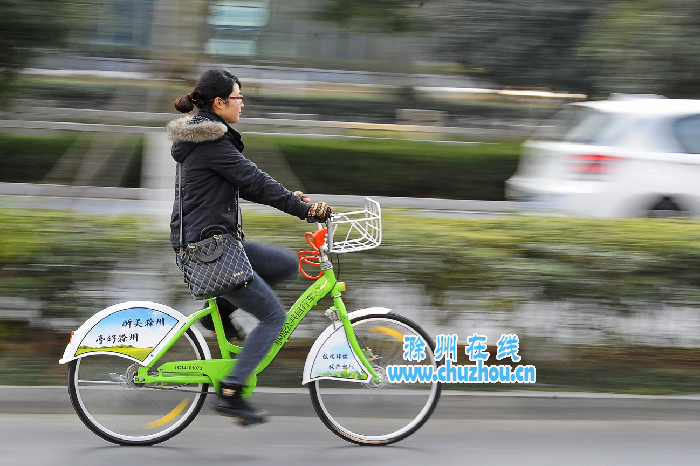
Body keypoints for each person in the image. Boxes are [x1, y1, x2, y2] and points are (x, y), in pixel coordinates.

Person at [166, 69, 332, 425]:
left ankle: (218, 314)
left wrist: (290, 198)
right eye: (238, 97)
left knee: (284, 264)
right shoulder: (211, 142)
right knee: (274, 318)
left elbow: (245, 183)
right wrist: (303, 209)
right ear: (218, 102)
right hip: (210, 251)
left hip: (217, 244)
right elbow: (254, 180)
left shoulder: (206, 138)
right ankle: (232, 392)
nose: (242, 103)